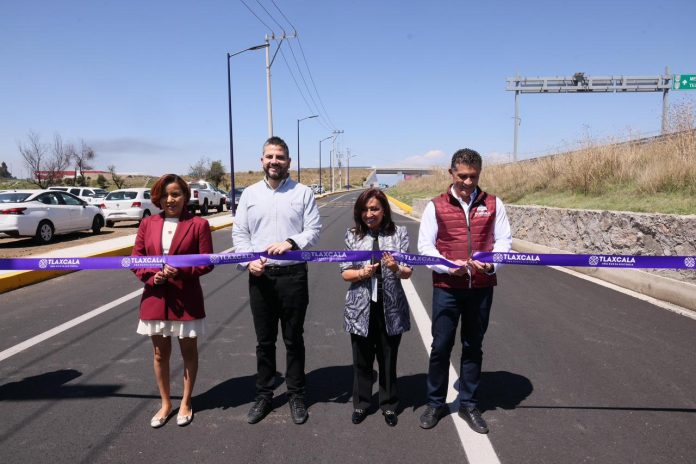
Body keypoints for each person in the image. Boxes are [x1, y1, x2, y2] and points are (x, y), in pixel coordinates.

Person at [417, 149, 512, 434]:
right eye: (462, 176)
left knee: (473, 346)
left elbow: (504, 242)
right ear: (451, 173)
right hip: (447, 288)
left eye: (473, 176)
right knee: (441, 346)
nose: (468, 182)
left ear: (479, 174)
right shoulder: (436, 206)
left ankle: (469, 404)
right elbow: (425, 247)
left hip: (481, 288)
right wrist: (449, 267)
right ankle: (435, 403)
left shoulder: (494, 204)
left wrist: (491, 265)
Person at [232, 136, 322, 425]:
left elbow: (314, 230)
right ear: (262, 160)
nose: (274, 161)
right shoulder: (249, 195)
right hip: (261, 278)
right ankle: (264, 395)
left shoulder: (303, 193)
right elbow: (240, 234)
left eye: (280, 157)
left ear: (288, 162)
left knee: (293, 339)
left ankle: (296, 394)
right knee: (265, 341)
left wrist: (291, 242)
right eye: (269, 156)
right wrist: (249, 261)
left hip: (293, 276)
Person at [131, 173, 214, 428]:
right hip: (155, 298)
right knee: (160, 354)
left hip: (186, 298)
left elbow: (206, 262)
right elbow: (136, 259)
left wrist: (182, 271)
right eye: (165, 195)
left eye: (176, 194)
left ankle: (186, 402)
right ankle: (166, 403)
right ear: (158, 198)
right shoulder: (148, 224)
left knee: (188, 352)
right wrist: (152, 276)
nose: (170, 199)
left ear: (185, 196)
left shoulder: (198, 224)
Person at [340, 188, 413, 427]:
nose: (369, 214)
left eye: (374, 209)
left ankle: (389, 404)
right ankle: (361, 403)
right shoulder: (352, 235)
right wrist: (362, 273)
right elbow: (345, 273)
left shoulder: (399, 233)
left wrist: (394, 268)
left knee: (388, 357)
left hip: (390, 305)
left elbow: (408, 272)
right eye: (364, 209)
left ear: (384, 210)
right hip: (360, 307)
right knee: (361, 358)